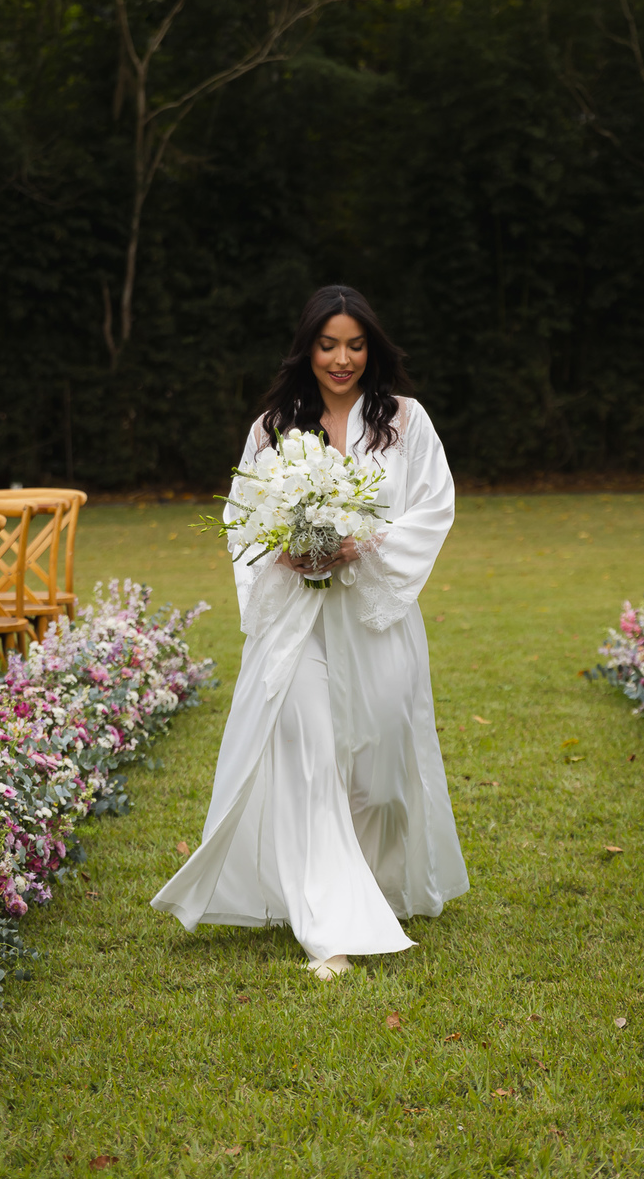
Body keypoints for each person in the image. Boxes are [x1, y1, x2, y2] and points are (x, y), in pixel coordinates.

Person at [151, 284, 469, 978]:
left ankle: (373, 890)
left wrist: (365, 542)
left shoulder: (405, 423)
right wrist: (281, 551)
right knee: (311, 760)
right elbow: (243, 518)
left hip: (375, 614)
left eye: (356, 344)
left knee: (380, 777)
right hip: (296, 619)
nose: (342, 358)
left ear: (372, 349)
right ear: (308, 347)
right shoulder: (272, 426)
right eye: (329, 344)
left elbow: (433, 507)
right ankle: (328, 926)